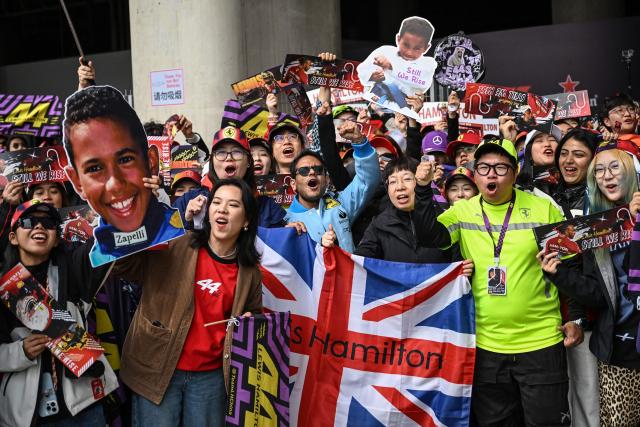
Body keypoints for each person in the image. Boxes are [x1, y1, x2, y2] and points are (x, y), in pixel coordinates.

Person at [417, 138, 580, 426]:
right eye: (483, 167)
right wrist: (421, 189)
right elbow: (431, 236)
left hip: (541, 343)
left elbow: (573, 265)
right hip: (486, 347)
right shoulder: (463, 211)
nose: (491, 174)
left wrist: (577, 319)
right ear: (475, 173)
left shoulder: (544, 209)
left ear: (515, 173)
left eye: (500, 167)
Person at [113, 179, 262, 426]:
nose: (222, 209)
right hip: (158, 368)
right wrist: (134, 216)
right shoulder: (177, 242)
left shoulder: (250, 272)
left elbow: (255, 315)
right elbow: (125, 266)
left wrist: (249, 322)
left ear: (246, 221)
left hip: (212, 378)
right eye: (217, 202)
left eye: (233, 205)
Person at [538, 140, 640, 427]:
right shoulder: (597, 228)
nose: (606, 176)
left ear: (633, 171)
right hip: (619, 351)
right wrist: (558, 273)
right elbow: (598, 294)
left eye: (614, 167)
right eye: (599, 171)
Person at [0, 199, 118, 426]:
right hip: (24, 415)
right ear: (12, 237)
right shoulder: (3, 286)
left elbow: (109, 237)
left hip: (83, 407)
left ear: (56, 239)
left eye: (48, 223)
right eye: (28, 221)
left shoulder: (74, 270)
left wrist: (131, 196)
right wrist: (20, 352)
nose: (39, 227)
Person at [62, 85, 185, 266]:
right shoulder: (88, 262)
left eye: (125, 159)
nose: (115, 184)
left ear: (151, 162)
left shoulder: (184, 243)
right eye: (95, 168)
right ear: (77, 182)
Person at [285, 120, 380, 253]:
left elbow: (367, 181)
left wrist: (360, 142)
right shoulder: (286, 222)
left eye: (318, 170)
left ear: (327, 180)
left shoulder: (340, 202)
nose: (312, 172)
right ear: (293, 184)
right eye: (304, 171)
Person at [353, 156, 462, 265]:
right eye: (393, 181)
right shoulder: (378, 225)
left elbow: (458, 260)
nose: (400, 187)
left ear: (421, 181)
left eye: (407, 179)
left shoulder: (444, 217)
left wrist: (462, 269)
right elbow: (359, 263)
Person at [174, 126, 286, 229]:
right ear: (212, 161)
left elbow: (279, 244)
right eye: (221, 152)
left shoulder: (268, 207)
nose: (229, 158)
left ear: (248, 162)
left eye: (236, 152)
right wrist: (187, 220)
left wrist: (290, 232)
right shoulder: (186, 201)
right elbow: (166, 243)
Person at [357, 16, 436, 114]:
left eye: (417, 48)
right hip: (376, 109)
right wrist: (371, 76)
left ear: (426, 48)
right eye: (406, 45)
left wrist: (390, 67)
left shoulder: (428, 63)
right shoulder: (384, 51)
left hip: (404, 113)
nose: (410, 52)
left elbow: (422, 83)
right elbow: (361, 71)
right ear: (398, 39)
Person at [553, 128, 598, 218]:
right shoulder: (545, 195)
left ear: (594, 159)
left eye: (578, 155)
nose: (568, 160)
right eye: (563, 153)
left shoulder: (605, 198)